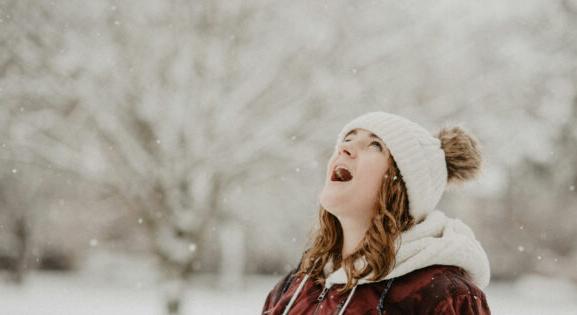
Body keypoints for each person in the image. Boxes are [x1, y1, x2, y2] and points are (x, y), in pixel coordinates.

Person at [261, 111, 491, 314]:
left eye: (374, 145)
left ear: (402, 186)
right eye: (347, 139)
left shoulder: (443, 296)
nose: (344, 148)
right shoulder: (294, 286)